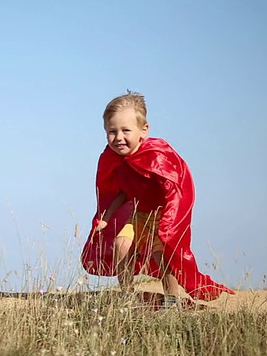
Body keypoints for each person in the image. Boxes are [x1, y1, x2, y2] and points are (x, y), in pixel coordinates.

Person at [81, 90, 234, 306]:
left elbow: (173, 187)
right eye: (112, 131)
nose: (118, 138)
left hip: (164, 216)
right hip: (141, 215)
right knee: (121, 244)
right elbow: (123, 191)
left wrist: (168, 222)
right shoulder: (116, 160)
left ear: (144, 130)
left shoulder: (155, 154)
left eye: (126, 130)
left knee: (162, 256)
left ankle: (172, 300)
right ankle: (127, 295)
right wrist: (106, 216)